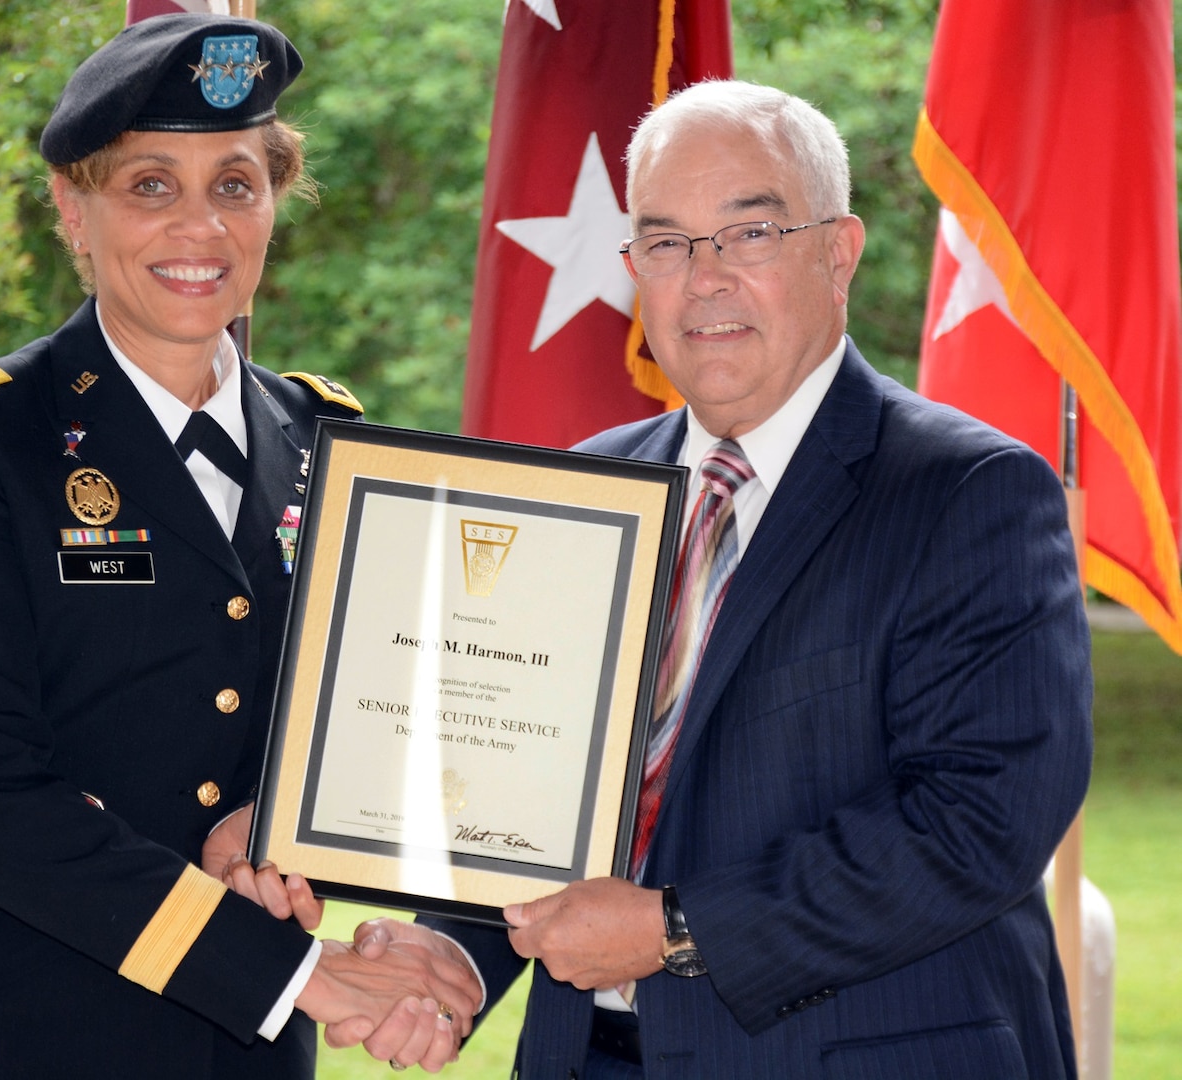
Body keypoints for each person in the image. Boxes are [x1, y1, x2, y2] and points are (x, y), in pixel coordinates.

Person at [372, 79, 1093, 1078]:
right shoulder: (581, 491)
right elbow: (529, 799)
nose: (703, 279)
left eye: (747, 235)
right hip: (588, 1056)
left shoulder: (966, 493)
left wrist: (673, 927)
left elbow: (976, 824)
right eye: (665, 244)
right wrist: (451, 950)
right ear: (632, 271)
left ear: (836, 253)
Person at [0, 14, 478, 1078]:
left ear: (274, 204)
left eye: (234, 184)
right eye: (148, 186)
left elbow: (373, 727)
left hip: (234, 1050)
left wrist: (281, 819)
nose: (200, 226)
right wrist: (303, 978)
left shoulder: (333, 442)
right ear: (73, 213)